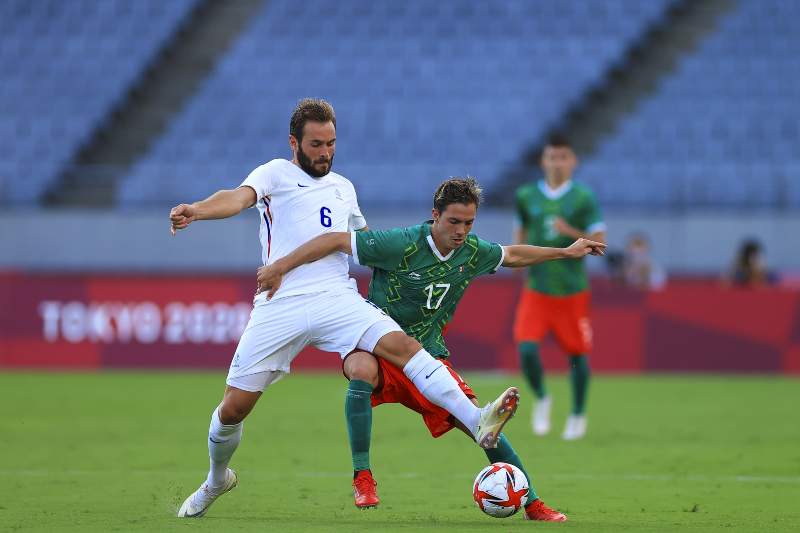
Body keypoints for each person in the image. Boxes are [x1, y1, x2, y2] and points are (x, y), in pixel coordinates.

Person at [169, 99, 520, 518]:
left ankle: (476, 417)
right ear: (294, 142)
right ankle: (216, 480)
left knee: (404, 347)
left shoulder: (344, 187)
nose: (325, 152)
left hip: (337, 297)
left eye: (332, 143)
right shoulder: (274, 174)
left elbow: (366, 242)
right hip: (281, 303)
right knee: (233, 409)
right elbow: (236, 198)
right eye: (316, 144)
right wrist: (198, 210)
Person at [256, 177, 605, 521]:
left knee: (481, 426)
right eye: (454, 221)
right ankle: (363, 477)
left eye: (468, 223)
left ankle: (531, 503)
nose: (461, 231)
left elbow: (511, 253)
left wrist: (565, 251)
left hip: (427, 359)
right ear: (435, 214)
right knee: (359, 368)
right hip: (378, 345)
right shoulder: (400, 244)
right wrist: (280, 267)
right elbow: (334, 239)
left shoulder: (471, 252)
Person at [512, 135, 607, 440]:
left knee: (578, 354)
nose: (557, 163)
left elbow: (600, 241)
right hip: (537, 287)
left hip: (572, 290)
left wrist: (570, 232)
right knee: (526, 348)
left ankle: (577, 414)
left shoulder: (583, 197)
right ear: (543, 161)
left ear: (573, 161)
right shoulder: (527, 195)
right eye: (552, 157)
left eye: (563, 157)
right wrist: (518, 261)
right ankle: (542, 397)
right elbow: (520, 234)